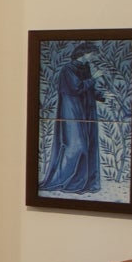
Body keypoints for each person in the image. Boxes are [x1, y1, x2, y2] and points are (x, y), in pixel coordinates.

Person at [39, 43, 100, 195]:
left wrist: (102, 96)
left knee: (88, 144)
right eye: (93, 54)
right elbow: (75, 88)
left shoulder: (84, 68)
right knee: (76, 145)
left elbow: (87, 89)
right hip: (71, 110)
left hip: (85, 109)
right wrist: (94, 78)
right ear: (84, 53)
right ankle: (63, 180)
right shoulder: (68, 69)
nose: (94, 57)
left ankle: (82, 183)